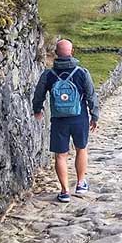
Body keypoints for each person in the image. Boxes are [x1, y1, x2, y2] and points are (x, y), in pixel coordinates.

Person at [32, 39, 99, 203]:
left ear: (55, 53)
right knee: (81, 149)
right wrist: (94, 115)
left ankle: (64, 191)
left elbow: (39, 93)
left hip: (58, 120)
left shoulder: (48, 75)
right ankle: (81, 183)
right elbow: (91, 95)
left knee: (60, 155)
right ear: (72, 52)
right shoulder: (82, 73)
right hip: (79, 117)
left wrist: (37, 109)